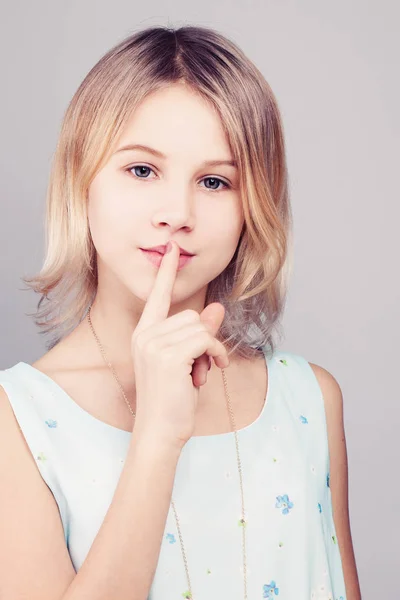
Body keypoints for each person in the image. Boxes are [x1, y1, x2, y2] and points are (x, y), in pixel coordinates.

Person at [0, 25, 361, 600]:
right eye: (141, 170)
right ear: (81, 178)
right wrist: (156, 440)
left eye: (214, 181)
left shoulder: (310, 400)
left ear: (253, 207)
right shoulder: (14, 421)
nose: (177, 212)